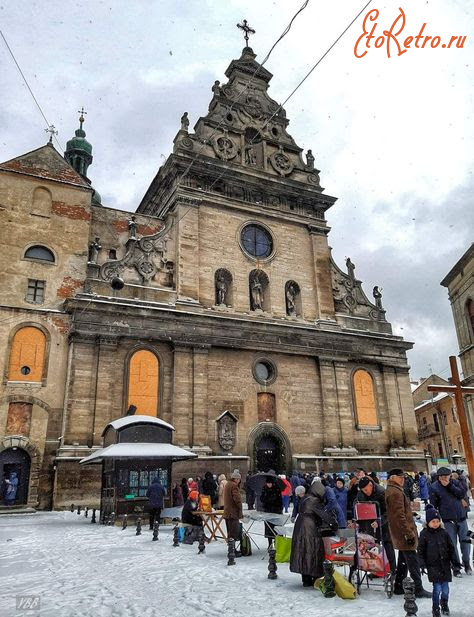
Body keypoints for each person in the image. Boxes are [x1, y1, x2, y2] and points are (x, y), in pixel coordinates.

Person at [385, 467, 432, 598]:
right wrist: (408, 533)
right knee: (413, 562)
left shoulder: (394, 490)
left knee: (403, 560)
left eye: (403, 477)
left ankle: (399, 586)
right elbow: (399, 516)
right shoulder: (395, 492)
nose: (403, 479)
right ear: (392, 478)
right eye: (400, 477)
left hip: (400, 531)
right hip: (404, 532)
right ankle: (418, 588)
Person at [290, 480, 338, 586]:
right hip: (310, 527)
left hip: (300, 527)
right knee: (314, 551)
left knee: (303, 551)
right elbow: (324, 515)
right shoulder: (315, 500)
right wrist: (334, 524)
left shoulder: (306, 498)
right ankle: (315, 576)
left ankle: (306, 578)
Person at [418, 505, 460, 617]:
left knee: (445, 589)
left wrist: (455, 562)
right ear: (428, 522)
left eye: (437, 521)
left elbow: (451, 549)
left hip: (445, 565)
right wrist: (421, 563)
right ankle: (435, 608)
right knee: (437, 589)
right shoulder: (424, 534)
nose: (435, 524)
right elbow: (420, 550)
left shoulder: (444, 533)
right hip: (433, 566)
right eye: (433, 521)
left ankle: (444, 604)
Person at [429, 466, 472, 575]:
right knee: (452, 544)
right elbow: (434, 505)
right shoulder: (434, 487)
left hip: (461, 518)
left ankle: (467, 563)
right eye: (442, 476)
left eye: (447, 476)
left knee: (465, 542)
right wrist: (435, 519)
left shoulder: (455, 483)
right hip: (448, 520)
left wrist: (449, 486)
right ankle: (456, 566)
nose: (445, 478)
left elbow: (462, 493)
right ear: (438, 477)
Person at [356, 476, 396, 573]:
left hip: (384, 524)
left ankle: (392, 569)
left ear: (371, 485)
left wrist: (379, 521)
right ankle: (376, 570)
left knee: (387, 546)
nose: (365, 492)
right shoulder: (361, 493)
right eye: (363, 491)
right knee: (373, 548)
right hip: (370, 525)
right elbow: (359, 509)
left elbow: (388, 511)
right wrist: (357, 522)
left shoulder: (381, 492)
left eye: (366, 490)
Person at [260, 476, 283, 547]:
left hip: (276, 511)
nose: (269, 485)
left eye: (270, 483)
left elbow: (279, 501)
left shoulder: (277, 489)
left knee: (276, 528)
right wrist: (265, 498)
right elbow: (261, 499)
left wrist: (272, 499)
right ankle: (269, 544)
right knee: (268, 528)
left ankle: (277, 543)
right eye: (267, 483)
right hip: (267, 511)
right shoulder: (264, 489)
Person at [223, 470, 243, 550]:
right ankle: (232, 550)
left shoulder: (228, 484)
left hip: (227, 512)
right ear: (236, 479)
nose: (239, 482)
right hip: (233, 513)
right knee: (233, 532)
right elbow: (237, 499)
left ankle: (231, 548)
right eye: (239, 480)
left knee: (229, 532)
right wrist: (240, 508)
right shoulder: (234, 486)